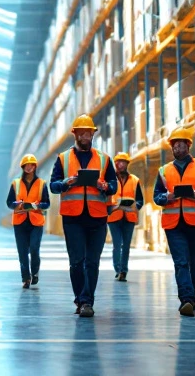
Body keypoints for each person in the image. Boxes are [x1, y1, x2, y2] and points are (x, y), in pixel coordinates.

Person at [49, 114, 117, 318]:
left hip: (97, 216)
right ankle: (80, 298)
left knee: (93, 262)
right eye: (82, 133)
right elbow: (53, 185)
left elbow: (114, 185)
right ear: (75, 134)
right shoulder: (63, 159)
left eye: (89, 132)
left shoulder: (104, 159)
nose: (86, 136)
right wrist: (67, 182)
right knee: (77, 261)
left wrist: (104, 186)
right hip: (73, 217)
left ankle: (87, 301)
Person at [154, 128, 195, 316]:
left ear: (188, 145)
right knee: (181, 262)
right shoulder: (163, 170)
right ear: (171, 147)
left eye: (182, 144)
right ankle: (187, 299)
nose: (178, 147)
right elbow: (156, 197)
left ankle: (191, 293)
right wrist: (168, 197)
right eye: (175, 144)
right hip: (174, 224)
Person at [7, 154, 50, 288]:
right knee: (22, 251)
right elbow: (9, 202)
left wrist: (38, 206)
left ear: (35, 166)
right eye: (26, 165)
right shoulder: (16, 183)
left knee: (34, 248)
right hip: (20, 221)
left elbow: (47, 203)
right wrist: (16, 204)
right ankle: (25, 278)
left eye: (31, 165)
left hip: (36, 221)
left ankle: (35, 272)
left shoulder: (42, 183)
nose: (29, 167)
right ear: (23, 167)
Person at [107, 152, 143, 282]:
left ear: (127, 164)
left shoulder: (134, 180)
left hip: (129, 216)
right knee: (117, 244)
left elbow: (140, 200)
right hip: (114, 216)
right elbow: (106, 196)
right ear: (115, 164)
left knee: (126, 245)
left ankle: (124, 271)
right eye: (118, 162)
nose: (120, 164)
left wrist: (135, 205)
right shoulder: (110, 179)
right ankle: (118, 270)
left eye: (123, 162)